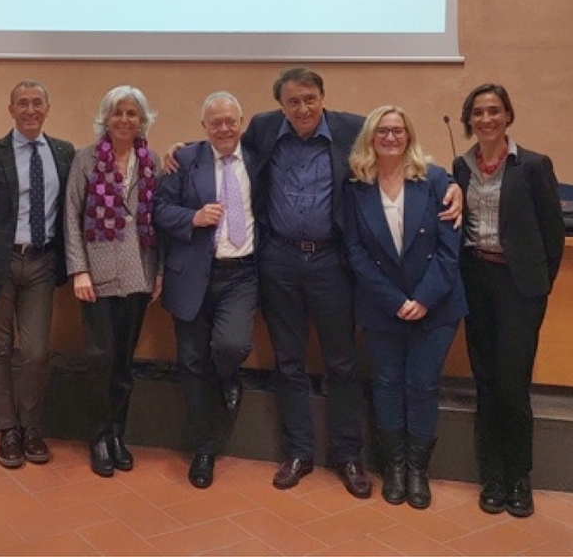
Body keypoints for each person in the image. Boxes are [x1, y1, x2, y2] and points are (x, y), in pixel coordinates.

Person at [241, 67, 462, 493]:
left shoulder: (354, 128)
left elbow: (404, 155)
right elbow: (227, 151)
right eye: (292, 101)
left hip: (332, 262)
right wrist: (180, 148)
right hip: (280, 260)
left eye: (310, 99)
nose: (302, 108)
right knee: (288, 362)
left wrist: (453, 184)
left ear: (322, 97)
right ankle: (298, 451)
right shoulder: (264, 128)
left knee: (341, 362)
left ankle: (348, 455)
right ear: (280, 105)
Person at [343, 106, 466, 509]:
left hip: (437, 307)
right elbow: (356, 252)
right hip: (382, 307)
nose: (391, 137)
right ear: (371, 137)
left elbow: (450, 252)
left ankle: (418, 470)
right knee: (386, 385)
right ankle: (393, 467)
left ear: (409, 136)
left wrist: (423, 300)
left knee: (423, 385)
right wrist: (395, 301)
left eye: (398, 130)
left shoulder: (435, 180)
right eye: (383, 131)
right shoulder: (356, 185)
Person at [452, 83, 564, 519]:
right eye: (477, 112)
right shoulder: (460, 167)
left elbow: (553, 235)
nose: (486, 119)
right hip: (476, 279)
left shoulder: (533, 165)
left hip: (520, 287)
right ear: (469, 119)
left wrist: (539, 284)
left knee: (512, 383)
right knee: (484, 381)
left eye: (494, 111)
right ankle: (492, 477)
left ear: (508, 116)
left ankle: (519, 477)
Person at [0, 81, 75, 468]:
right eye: (22, 103)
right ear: (10, 109)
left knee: (36, 352)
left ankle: (32, 427)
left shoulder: (64, 153)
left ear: (48, 107)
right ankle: (7, 430)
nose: (30, 110)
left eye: (37, 103)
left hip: (42, 264)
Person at [153, 91, 258, 489]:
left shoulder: (259, 159)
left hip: (241, 274)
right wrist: (193, 217)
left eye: (231, 120)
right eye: (216, 122)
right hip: (192, 273)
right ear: (204, 127)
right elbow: (159, 210)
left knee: (231, 346)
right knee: (192, 362)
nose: (225, 128)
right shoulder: (184, 159)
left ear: (242, 121)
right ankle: (203, 449)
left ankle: (230, 375)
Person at [64, 85, 163, 477]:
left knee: (123, 361)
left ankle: (118, 433)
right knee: (100, 358)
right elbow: (71, 216)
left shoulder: (151, 161)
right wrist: (79, 270)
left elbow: (159, 220)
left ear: (142, 120)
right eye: (117, 113)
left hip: (138, 272)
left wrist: (157, 273)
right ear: (106, 118)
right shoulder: (86, 159)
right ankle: (99, 437)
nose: (124, 120)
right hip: (99, 275)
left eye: (132, 113)